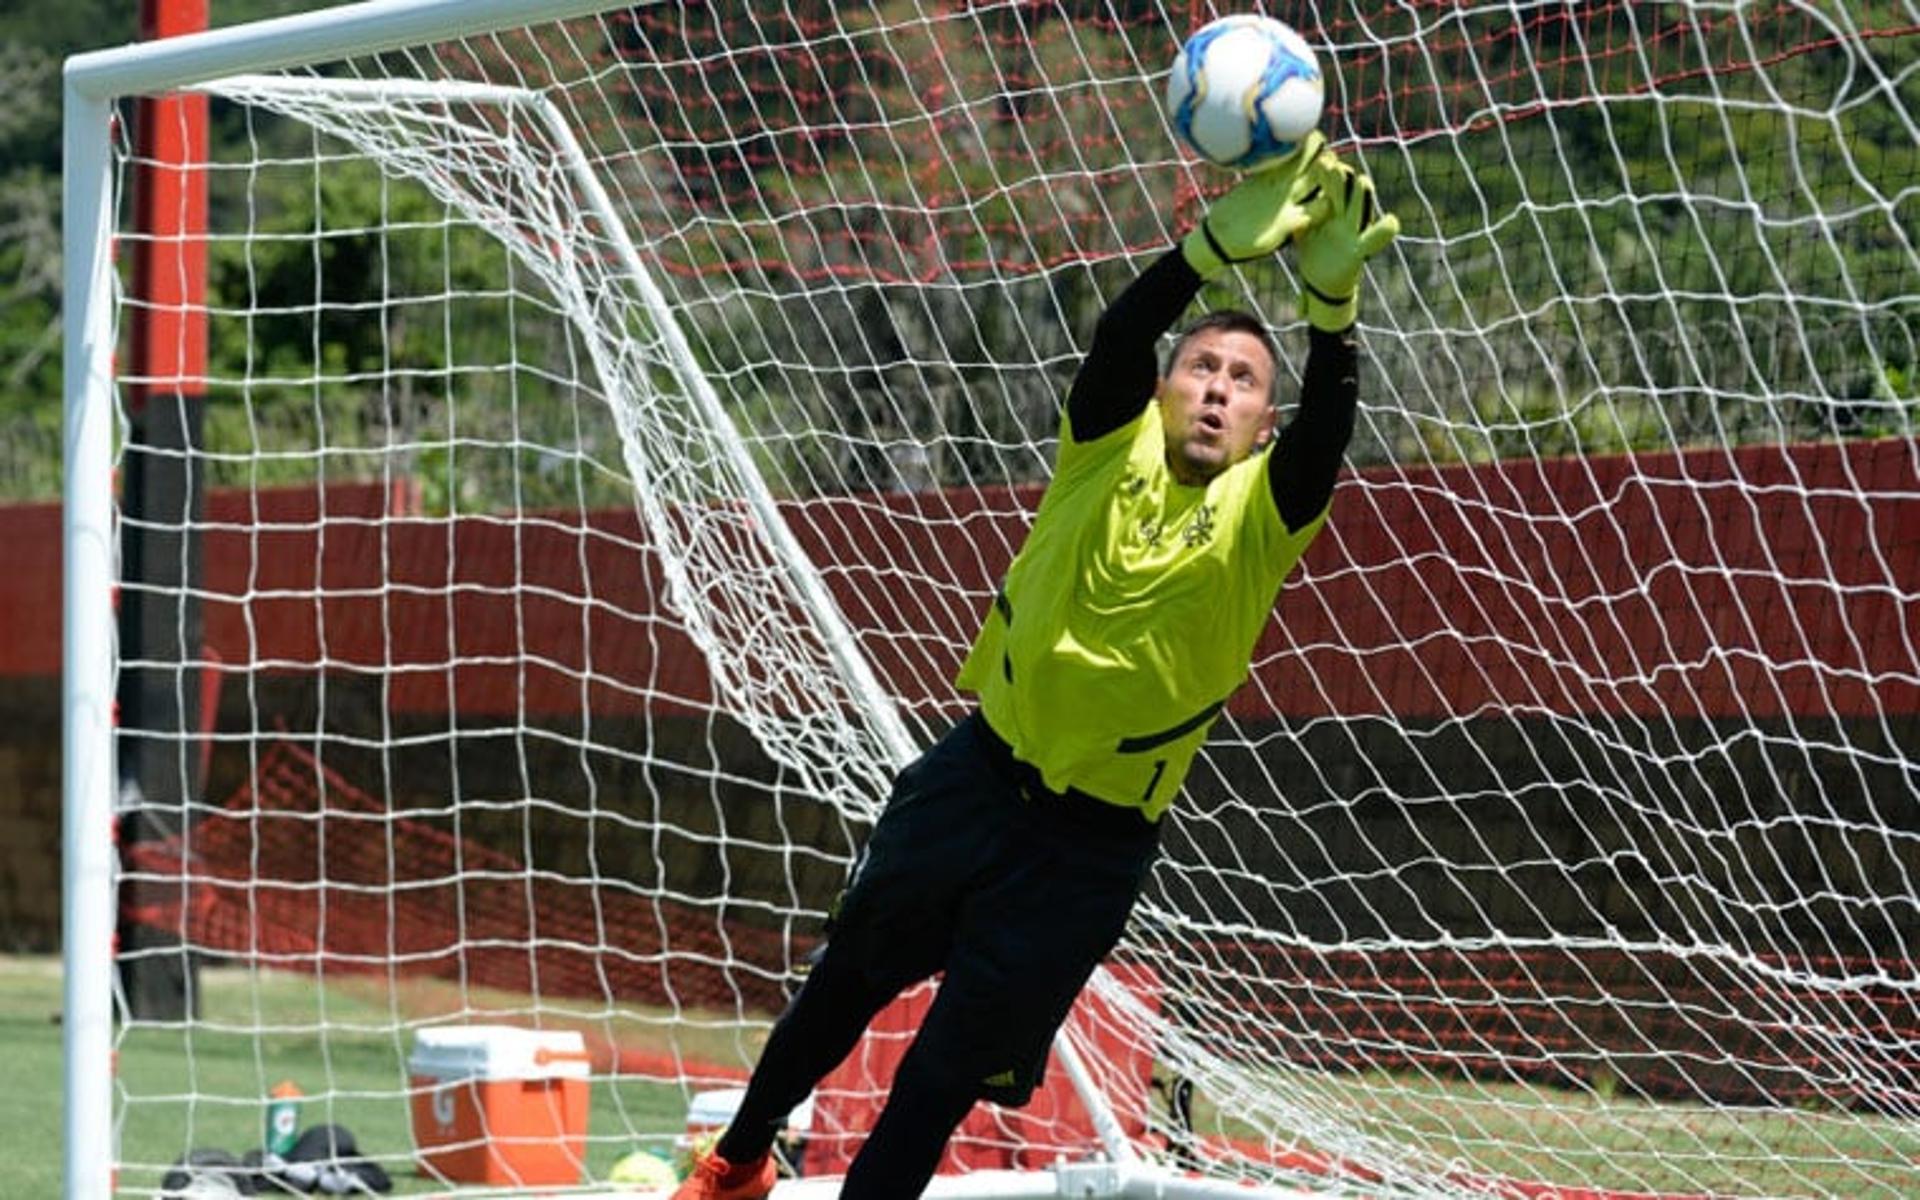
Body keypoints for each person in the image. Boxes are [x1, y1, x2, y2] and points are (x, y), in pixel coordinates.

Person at [673, 133, 1399, 1200]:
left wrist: (1331, 314)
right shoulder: (1104, 443)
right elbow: (1121, 334)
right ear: (1163, 391)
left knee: (941, 1073)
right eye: (1202, 366)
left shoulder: (1261, 516)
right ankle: (737, 1160)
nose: (1216, 389)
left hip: (1090, 847)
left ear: (1259, 429)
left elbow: (1328, 433)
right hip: (977, 776)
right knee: (843, 991)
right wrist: (1200, 251)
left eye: (1243, 383)